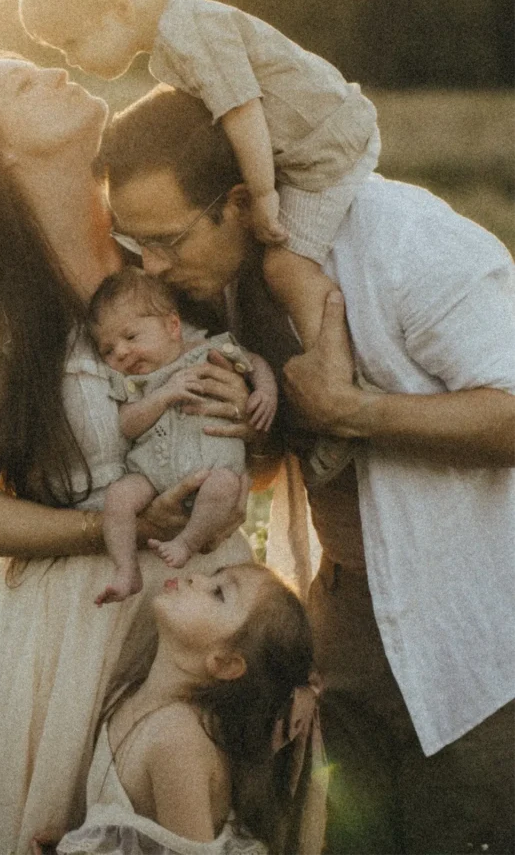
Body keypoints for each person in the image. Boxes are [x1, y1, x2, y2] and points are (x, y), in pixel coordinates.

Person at [96, 84, 515, 855]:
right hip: (346, 626)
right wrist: (239, 439)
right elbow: (280, 467)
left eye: (167, 239)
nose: (151, 267)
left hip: (480, 635)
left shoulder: (404, 241)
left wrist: (354, 411)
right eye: (134, 248)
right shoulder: (222, 281)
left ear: (234, 201)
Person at [0, 56, 255, 855]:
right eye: (26, 86)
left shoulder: (158, 263)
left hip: (206, 606)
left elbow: (236, 461)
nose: (57, 73)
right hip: (84, 623)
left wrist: (241, 417)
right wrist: (104, 529)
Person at [17, 0, 379, 364]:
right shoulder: (180, 32)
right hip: (313, 135)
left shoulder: (192, 34)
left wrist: (264, 195)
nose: (72, 60)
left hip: (322, 146)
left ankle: (333, 377)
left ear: (120, 8)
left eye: (72, 42)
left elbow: (241, 110)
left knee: (286, 266)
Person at [47, 565, 325, 855]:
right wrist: (87, 840)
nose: (197, 578)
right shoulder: (128, 693)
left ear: (226, 663)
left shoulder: (177, 741)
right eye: (213, 576)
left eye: (218, 593)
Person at [87, 269, 278, 601]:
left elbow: (256, 361)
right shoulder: (134, 383)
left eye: (130, 337)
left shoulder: (209, 350)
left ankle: (187, 542)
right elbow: (127, 425)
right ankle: (126, 569)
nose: (120, 353)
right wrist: (163, 395)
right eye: (108, 350)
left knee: (225, 486)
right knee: (118, 498)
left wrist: (265, 392)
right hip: (153, 472)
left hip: (211, 469)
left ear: (172, 326)